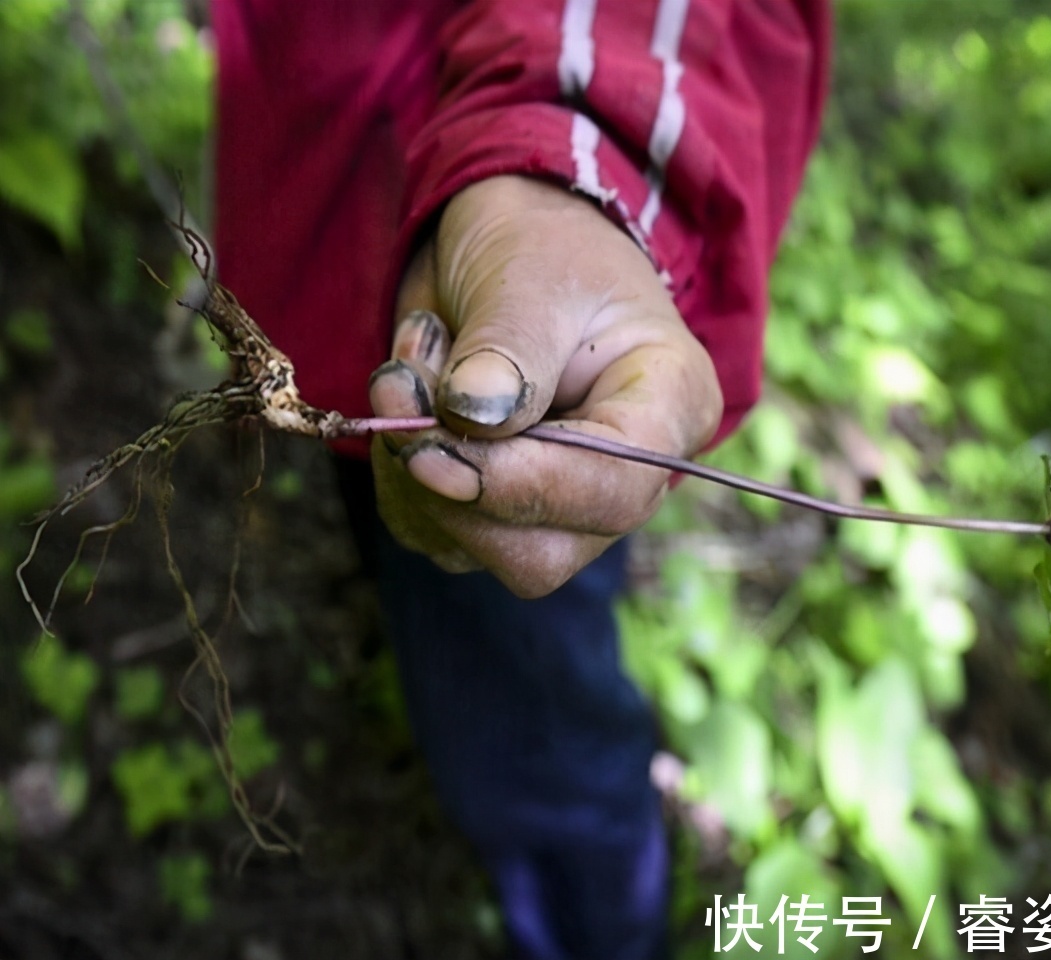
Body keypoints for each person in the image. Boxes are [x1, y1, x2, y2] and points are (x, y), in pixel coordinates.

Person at [212, 2, 829, 957]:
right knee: (422, 565)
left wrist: (566, 167)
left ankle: (600, 929)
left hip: (501, 257)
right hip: (333, 239)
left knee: (538, 723)